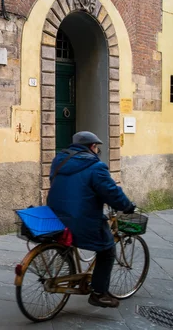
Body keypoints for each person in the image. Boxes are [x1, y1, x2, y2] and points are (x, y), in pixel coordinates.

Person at [47, 131, 135, 308]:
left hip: (54, 215)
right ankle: (99, 293)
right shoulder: (96, 167)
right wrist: (127, 206)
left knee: (69, 237)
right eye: (97, 147)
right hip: (81, 220)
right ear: (92, 147)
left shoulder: (59, 160)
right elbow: (111, 192)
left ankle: (71, 267)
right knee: (107, 249)